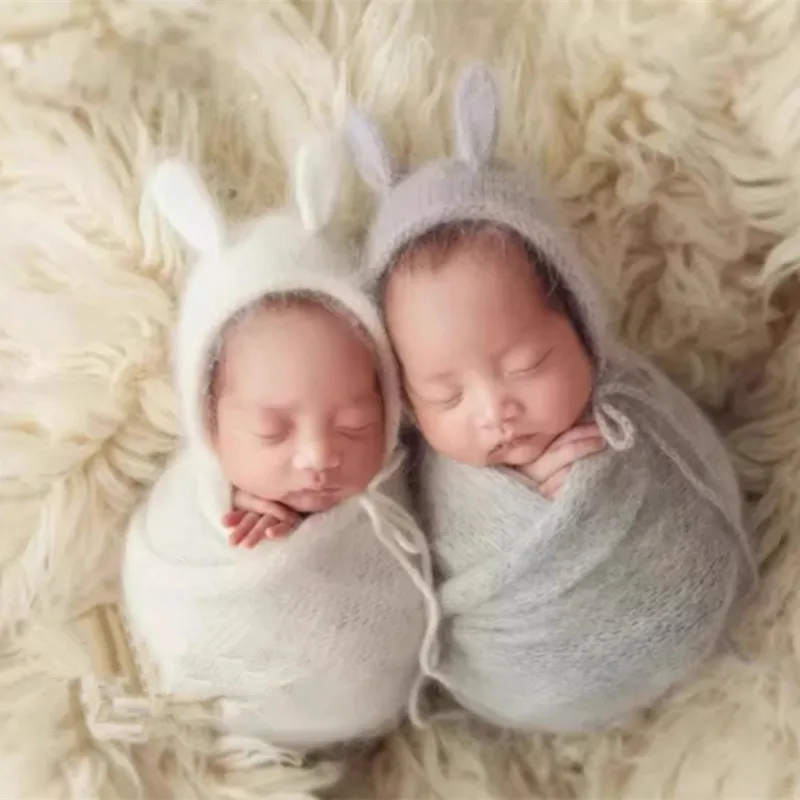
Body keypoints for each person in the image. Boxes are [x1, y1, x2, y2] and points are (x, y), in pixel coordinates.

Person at [345, 62, 758, 733]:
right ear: (408, 405)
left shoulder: (633, 407)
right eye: (446, 396)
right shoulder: (434, 481)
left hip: (679, 611)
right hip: (529, 684)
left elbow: (693, 470)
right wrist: (533, 499)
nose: (493, 411)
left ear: (581, 323)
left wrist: (595, 487)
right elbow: (419, 566)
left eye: (528, 363)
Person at [121, 138, 438, 756]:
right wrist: (244, 536)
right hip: (241, 735)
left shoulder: (401, 480)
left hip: (394, 711)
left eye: (353, 425)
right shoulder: (188, 517)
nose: (319, 457)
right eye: (272, 432)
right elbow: (170, 602)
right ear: (207, 421)